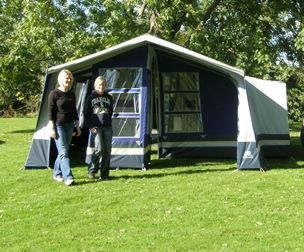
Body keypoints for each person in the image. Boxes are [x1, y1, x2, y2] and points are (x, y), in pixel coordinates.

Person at [48, 69, 81, 186]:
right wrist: (51, 127)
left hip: (70, 125)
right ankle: (68, 177)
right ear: (60, 80)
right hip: (58, 125)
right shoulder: (54, 94)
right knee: (64, 152)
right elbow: (51, 112)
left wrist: (77, 126)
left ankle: (57, 173)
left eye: (70, 78)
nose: (68, 80)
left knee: (63, 151)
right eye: (66, 78)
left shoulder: (72, 94)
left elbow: (74, 111)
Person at [84, 76, 113, 180]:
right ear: (95, 86)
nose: (101, 87)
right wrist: (91, 127)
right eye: (99, 85)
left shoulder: (109, 97)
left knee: (107, 151)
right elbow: (86, 114)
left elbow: (110, 111)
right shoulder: (90, 98)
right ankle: (92, 169)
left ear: (105, 86)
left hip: (107, 127)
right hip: (96, 127)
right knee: (99, 149)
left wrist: (107, 121)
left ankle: (104, 174)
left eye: (103, 85)